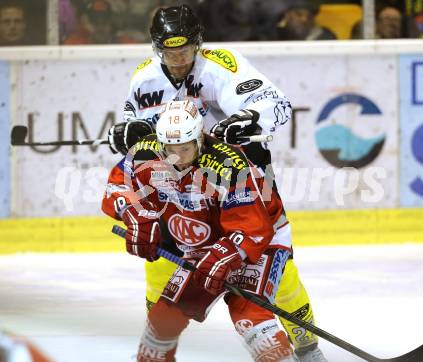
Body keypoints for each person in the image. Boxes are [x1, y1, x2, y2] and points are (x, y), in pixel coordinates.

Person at [104, 5, 327, 361]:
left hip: (239, 183)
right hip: (180, 190)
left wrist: (248, 120)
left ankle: (307, 345)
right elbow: (138, 141)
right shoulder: (144, 78)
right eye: (168, 51)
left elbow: (276, 105)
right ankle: (158, 343)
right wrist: (129, 131)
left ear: (199, 44)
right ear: (155, 49)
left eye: (185, 50)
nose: (177, 59)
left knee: (275, 274)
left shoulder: (221, 65)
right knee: (160, 268)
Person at [104, 99, 300, 361]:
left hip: (261, 241)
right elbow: (117, 187)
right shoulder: (145, 153)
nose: (177, 157)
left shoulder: (228, 165)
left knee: (249, 315)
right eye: (169, 148)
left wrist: (225, 255)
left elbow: (253, 226)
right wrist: (135, 214)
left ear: (199, 139)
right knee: (163, 319)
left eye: (185, 148)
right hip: (205, 246)